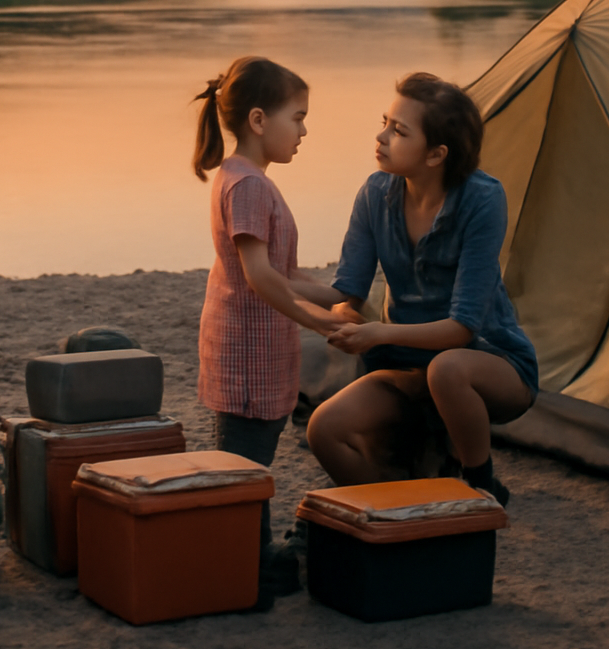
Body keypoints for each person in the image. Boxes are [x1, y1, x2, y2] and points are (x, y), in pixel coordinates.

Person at [300, 72, 538, 505]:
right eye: (385, 122)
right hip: (407, 368)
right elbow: (346, 294)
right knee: (325, 429)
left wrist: (380, 332)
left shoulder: (483, 200)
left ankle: (481, 487)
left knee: (447, 368)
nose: (381, 135)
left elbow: (463, 328)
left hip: (489, 364)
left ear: (435, 154)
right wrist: (295, 291)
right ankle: (406, 507)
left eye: (398, 130)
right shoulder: (375, 194)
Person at [191, 56, 341, 591]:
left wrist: (339, 298)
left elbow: (283, 272)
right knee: (243, 468)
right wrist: (319, 324)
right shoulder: (250, 187)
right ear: (259, 121)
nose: (304, 130)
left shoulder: (244, 178)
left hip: (254, 352)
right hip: (247, 358)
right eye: (297, 117)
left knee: (247, 465)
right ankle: (240, 571)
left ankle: (249, 556)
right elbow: (259, 277)